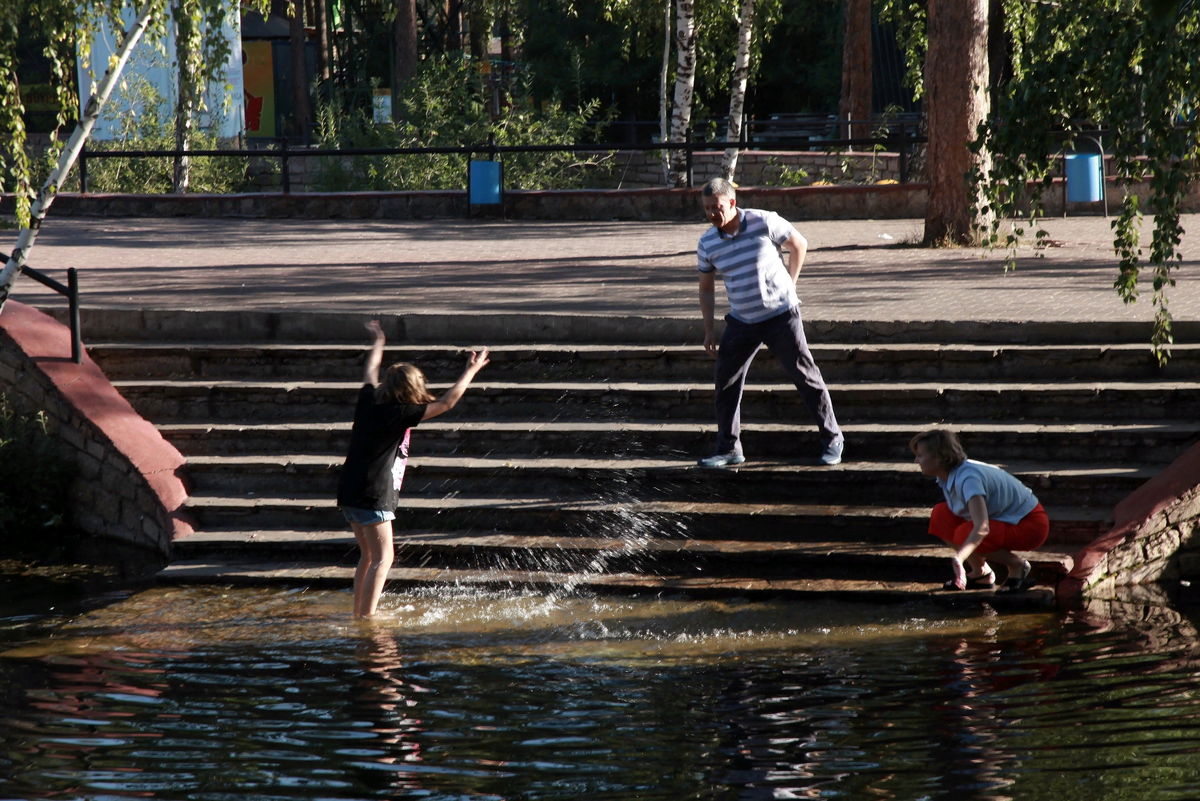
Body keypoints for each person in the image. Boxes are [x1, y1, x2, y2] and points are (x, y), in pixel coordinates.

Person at [337, 320, 490, 618]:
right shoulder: (401, 412)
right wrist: (471, 370)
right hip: (372, 494)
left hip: (349, 490)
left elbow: (370, 370)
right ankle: (367, 618)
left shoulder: (368, 400)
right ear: (411, 390)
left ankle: (359, 614)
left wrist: (379, 342)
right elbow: (447, 403)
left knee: (368, 556)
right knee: (384, 558)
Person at [695, 177, 843, 467]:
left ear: (732, 203)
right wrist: (709, 329)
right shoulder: (707, 243)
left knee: (805, 376)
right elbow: (706, 289)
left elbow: (799, 244)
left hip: (780, 316)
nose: (712, 213)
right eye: (707, 208)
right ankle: (729, 448)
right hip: (741, 321)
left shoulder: (763, 221)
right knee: (725, 382)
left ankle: (833, 439)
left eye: (717, 207)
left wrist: (791, 284)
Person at [910, 428, 1050, 592]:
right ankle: (980, 572)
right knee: (940, 514)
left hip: (1030, 526)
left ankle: (1017, 566)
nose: (916, 460)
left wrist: (959, 558)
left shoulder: (969, 478)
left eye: (920, 455)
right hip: (1006, 520)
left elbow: (982, 527)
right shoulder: (949, 475)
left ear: (938, 458)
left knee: (965, 533)